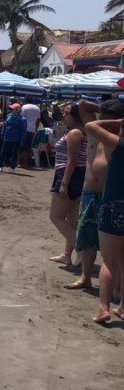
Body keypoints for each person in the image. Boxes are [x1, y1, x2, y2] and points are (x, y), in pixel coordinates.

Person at [68, 99, 124, 291]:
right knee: (86, 237)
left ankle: (115, 287)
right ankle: (85, 277)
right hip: (89, 191)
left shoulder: (117, 138)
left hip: (109, 195)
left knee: (113, 247)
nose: (103, 121)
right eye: (102, 119)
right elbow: (82, 104)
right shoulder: (93, 131)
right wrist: (106, 109)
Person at [85, 115, 124, 324]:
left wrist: (117, 121)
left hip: (114, 205)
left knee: (109, 261)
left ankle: (104, 308)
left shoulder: (119, 144)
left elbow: (91, 125)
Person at [47, 103, 87, 266]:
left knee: (56, 216)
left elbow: (72, 160)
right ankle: (67, 254)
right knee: (71, 219)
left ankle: (82, 251)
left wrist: (64, 184)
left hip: (69, 175)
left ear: (76, 116)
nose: (63, 115)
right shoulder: (79, 131)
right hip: (77, 175)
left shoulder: (75, 133)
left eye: (67, 113)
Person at [0, 103, 27, 173]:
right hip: (6, 137)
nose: (11, 110)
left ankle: (12, 167)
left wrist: (22, 140)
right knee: (3, 152)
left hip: (16, 139)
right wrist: (2, 133)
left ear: (17, 110)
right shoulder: (8, 116)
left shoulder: (22, 119)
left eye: (12, 109)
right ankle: (0, 166)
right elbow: (5, 125)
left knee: (14, 154)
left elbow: (23, 131)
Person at [21, 98, 41, 168]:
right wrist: (35, 129)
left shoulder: (24, 107)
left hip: (25, 129)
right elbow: (38, 120)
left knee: (24, 147)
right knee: (29, 147)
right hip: (33, 130)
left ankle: (24, 163)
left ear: (26, 101)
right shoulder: (37, 108)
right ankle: (27, 162)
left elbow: (22, 118)